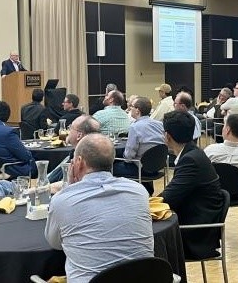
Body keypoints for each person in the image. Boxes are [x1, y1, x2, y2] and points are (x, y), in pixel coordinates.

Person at [45, 134, 153, 283]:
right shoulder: (139, 191)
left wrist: (69, 189)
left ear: (79, 162)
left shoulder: (62, 200)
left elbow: (55, 243)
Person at [159, 110, 225, 260]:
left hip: (195, 234)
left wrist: (142, 205)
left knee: (148, 242)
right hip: (197, 220)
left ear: (167, 136)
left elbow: (169, 197)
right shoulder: (193, 153)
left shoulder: (190, 160)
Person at [116, 97, 165, 194]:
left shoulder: (135, 127)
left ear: (138, 110)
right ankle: (147, 190)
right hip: (158, 165)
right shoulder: (160, 124)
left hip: (142, 169)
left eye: (132, 107)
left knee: (113, 166)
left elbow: (128, 158)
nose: (130, 109)